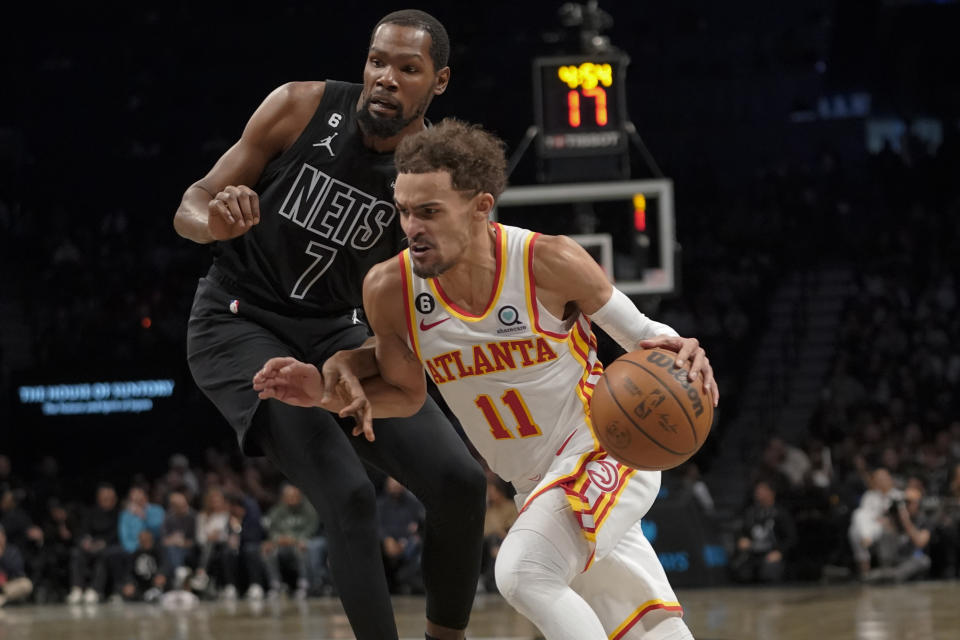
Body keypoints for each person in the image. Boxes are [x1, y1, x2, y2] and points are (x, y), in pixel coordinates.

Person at [254, 119, 720, 640]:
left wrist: (686, 350)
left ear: (480, 206)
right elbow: (407, 398)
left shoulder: (547, 260)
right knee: (642, 625)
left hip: (603, 444)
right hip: (532, 482)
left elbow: (645, 336)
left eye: (429, 211)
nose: (411, 227)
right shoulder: (390, 288)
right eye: (404, 210)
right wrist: (319, 393)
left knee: (523, 573)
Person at [172, 9, 484, 639]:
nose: (386, 78)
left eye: (408, 68)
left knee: (459, 481)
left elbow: (442, 281)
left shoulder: (432, 170)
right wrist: (216, 222)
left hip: (337, 330)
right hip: (237, 321)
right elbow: (190, 205)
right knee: (349, 497)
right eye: (377, 61)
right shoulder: (298, 107)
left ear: (439, 82)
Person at [730, 480, 796, 583]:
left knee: (769, 570)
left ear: (771, 492)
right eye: (757, 490)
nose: (758, 493)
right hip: (752, 554)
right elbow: (742, 532)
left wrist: (780, 552)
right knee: (741, 572)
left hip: (771, 554)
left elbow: (791, 538)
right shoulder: (750, 513)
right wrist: (741, 540)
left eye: (762, 490)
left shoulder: (781, 513)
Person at [262, 484, 318, 599]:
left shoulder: (309, 509)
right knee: (267, 549)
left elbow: (312, 529)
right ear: (283, 497)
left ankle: (304, 585)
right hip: (282, 544)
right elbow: (272, 530)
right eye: (289, 496)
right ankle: (275, 585)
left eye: (295, 496)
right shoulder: (277, 511)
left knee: (302, 548)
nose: (292, 499)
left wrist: (295, 539)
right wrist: (277, 539)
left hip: (301, 543)